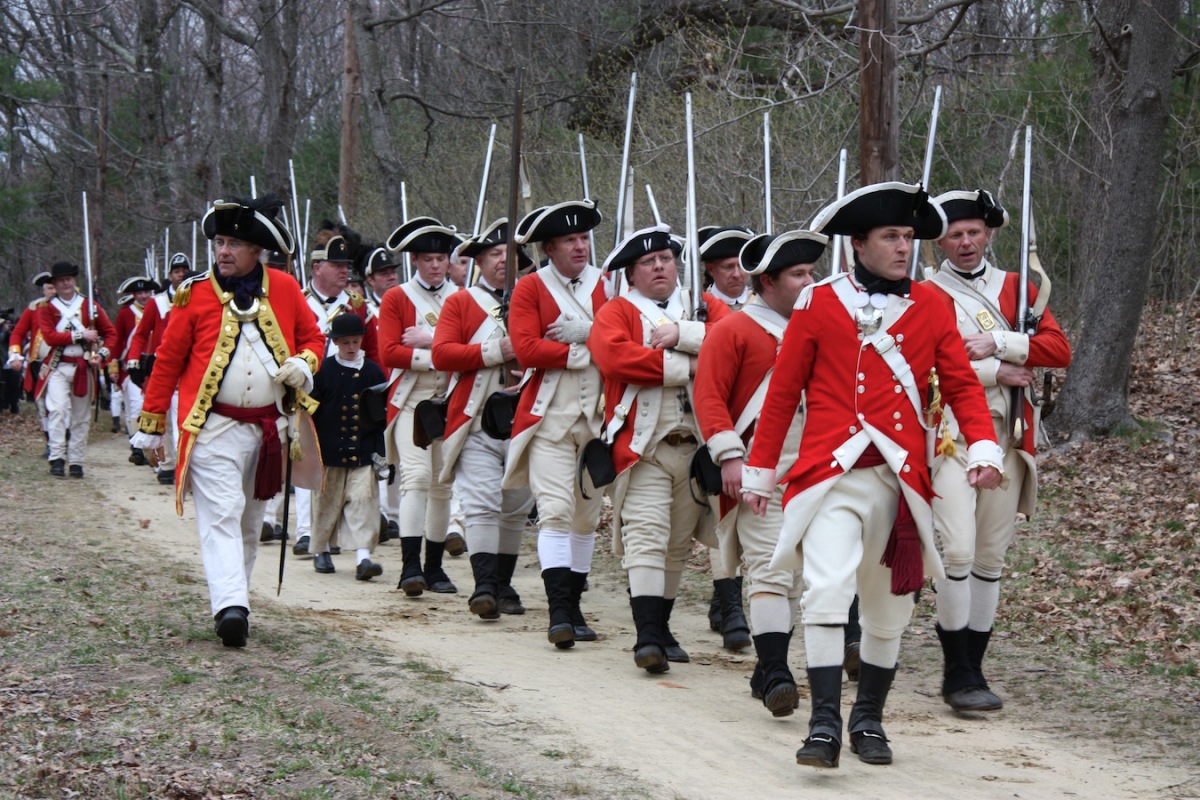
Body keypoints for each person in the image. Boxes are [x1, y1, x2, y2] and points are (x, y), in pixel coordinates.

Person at [741, 182, 1005, 768]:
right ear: (857, 244)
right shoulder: (817, 303)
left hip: (901, 482)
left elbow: (960, 383)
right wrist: (760, 473)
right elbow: (783, 394)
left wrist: (984, 446)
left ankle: (870, 721)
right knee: (827, 592)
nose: (904, 248)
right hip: (828, 479)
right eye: (891, 237)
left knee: (888, 613)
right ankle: (825, 725)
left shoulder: (933, 305)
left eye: (909, 238)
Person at [131, 194, 324, 648]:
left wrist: (305, 362)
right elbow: (168, 362)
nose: (223, 251)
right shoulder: (193, 294)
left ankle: (234, 598)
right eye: (220, 242)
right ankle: (232, 607)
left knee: (250, 522)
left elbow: (314, 337)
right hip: (212, 427)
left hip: (269, 430)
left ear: (257, 250)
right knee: (222, 513)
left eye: (234, 242)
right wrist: (153, 419)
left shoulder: (285, 288)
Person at [926, 189, 1072, 711]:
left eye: (973, 232)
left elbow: (1058, 350)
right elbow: (923, 368)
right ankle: (955, 669)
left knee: (989, 557)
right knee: (958, 550)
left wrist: (1001, 344)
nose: (964, 243)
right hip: (950, 437)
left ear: (988, 234)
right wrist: (993, 370)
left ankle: (974, 669)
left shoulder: (1017, 288)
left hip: (1007, 434)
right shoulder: (926, 293)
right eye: (954, 234)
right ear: (939, 240)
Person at [589, 224, 731, 672]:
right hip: (644, 447)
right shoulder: (617, 311)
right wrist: (687, 365)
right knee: (646, 536)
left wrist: (686, 336)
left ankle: (662, 628)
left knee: (676, 545)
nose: (659, 267)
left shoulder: (703, 308)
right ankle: (647, 636)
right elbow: (615, 357)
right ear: (632, 273)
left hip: (696, 447)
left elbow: (736, 343)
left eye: (666, 259)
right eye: (649, 262)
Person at [694, 229, 824, 711]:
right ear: (767, 281)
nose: (809, 282)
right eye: (798, 274)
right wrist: (729, 455)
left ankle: (768, 666)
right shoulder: (732, 330)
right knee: (770, 570)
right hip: (756, 466)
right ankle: (775, 673)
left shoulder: (817, 325)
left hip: (813, 467)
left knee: (795, 576)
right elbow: (708, 397)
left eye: (811, 272)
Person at [504, 199, 607, 649]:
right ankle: (559, 611)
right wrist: (583, 352)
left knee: (587, 517)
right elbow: (526, 348)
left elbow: (623, 339)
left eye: (584, 238)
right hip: (549, 417)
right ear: (550, 247)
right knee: (556, 512)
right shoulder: (530, 288)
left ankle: (576, 606)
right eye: (570, 240)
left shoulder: (607, 285)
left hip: (599, 418)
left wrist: (586, 334)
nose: (580, 247)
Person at [432, 218, 535, 619]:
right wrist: (497, 350)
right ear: (479, 261)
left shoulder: (532, 298)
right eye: (494, 254)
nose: (502, 262)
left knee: (515, 505)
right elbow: (443, 354)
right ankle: (484, 584)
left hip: (523, 415)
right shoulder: (461, 302)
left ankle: (504, 583)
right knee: (480, 503)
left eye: (509, 255)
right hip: (474, 418)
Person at [378, 216, 463, 596]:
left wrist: (430, 342)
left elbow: (470, 351)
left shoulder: (461, 298)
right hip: (412, 399)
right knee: (415, 479)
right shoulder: (397, 298)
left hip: (450, 401)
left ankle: (435, 567)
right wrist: (441, 354)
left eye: (440, 258)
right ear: (415, 260)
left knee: (442, 486)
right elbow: (390, 351)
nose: (434, 265)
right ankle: (410, 567)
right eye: (427, 258)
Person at [290, 234, 381, 559]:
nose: (344, 271)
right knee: (307, 459)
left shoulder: (356, 305)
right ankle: (306, 531)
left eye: (346, 265)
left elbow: (373, 352)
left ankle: (344, 540)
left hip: (348, 390)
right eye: (336, 265)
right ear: (317, 268)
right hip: (305, 389)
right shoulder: (299, 300)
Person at [695, 224, 756, 648]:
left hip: (757, 420)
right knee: (720, 515)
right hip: (709, 419)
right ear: (710, 272)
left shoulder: (763, 306)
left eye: (740, 266)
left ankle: (727, 602)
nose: (736, 274)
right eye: (725, 267)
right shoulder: (694, 307)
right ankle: (728, 601)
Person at [308, 312, 388, 580]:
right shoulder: (324, 371)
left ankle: (363, 557)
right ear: (337, 343)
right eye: (346, 343)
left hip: (363, 452)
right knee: (325, 503)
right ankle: (321, 550)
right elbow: (312, 411)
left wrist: (380, 453)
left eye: (355, 342)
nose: (351, 348)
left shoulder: (373, 372)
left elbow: (380, 417)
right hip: (329, 452)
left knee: (364, 502)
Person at [36, 260, 118, 478]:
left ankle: (76, 461)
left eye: (69, 279)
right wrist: (80, 335)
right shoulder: (46, 308)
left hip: (83, 366)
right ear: (55, 282)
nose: (65, 283)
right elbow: (51, 337)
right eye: (61, 280)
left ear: (74, 280)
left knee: (81, 417)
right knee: (58, 411)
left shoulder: (89, 306)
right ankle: (57, 457)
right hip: (58, 366)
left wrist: (101, 354)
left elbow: (110, 334)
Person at [126, 254, 193, 486]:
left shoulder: (196, 298)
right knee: (160, 417)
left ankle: (181, 466)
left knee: (183, 418)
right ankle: (165, 464)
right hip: (161, 366)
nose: (181, 274)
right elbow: (142, 333)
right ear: (170, 275)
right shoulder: (157, 303)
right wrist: (134, 359)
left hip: (188, 367)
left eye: (185, 270)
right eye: (177, 271)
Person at [114, 276, 161, 467]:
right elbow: (118, 341)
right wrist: (113, 366)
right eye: (140, 293)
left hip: (153, 366)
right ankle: (136, 446)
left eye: (147, 292)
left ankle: (149, 445)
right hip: (131, 368)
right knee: (135, 405)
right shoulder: (126, 313)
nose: (143, 296)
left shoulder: (160, 309)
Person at [7, 272, 55, 439]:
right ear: (43, 290)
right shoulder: (34, 308)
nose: (53, 291)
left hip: (62, 362)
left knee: (60, 406)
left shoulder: (74, 308)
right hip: (39, 364)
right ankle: (50, 440)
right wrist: (15, 354)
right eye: (49, 288)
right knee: (43, 404)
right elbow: (18, 333)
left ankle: (64, 438)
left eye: (55, 287)